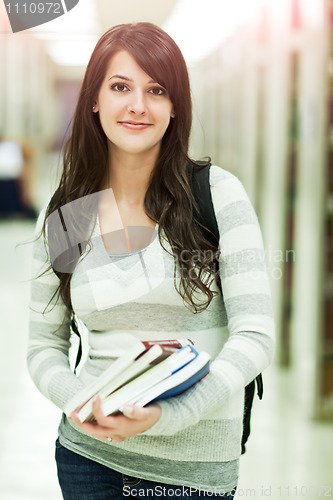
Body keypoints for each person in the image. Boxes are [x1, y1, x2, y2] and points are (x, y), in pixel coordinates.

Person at [27, 22, 275, 499]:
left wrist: (169, 416)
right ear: (94, 99)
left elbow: (255, 336)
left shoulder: (218, 194)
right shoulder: (67, 214)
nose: (137, 104)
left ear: (174, 106)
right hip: (87, 461)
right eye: (120, 86)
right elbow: (43, 346)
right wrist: (85, 403)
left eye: (156, 90)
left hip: (192, 474)